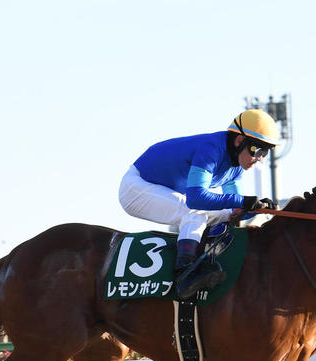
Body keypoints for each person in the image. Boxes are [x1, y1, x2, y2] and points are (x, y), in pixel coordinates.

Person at [118, 109, 281, 299]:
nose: (260, 157)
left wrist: (257, 209)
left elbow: (234, 211)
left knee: (221, 214)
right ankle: (185, 273)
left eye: (266, 152)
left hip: (163, 191)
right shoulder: (211, 149)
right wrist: (243, 201)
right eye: (257, 150)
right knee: (195, 212)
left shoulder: (235, 168)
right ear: (239, 141)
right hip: (136, 188)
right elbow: (195, 198)